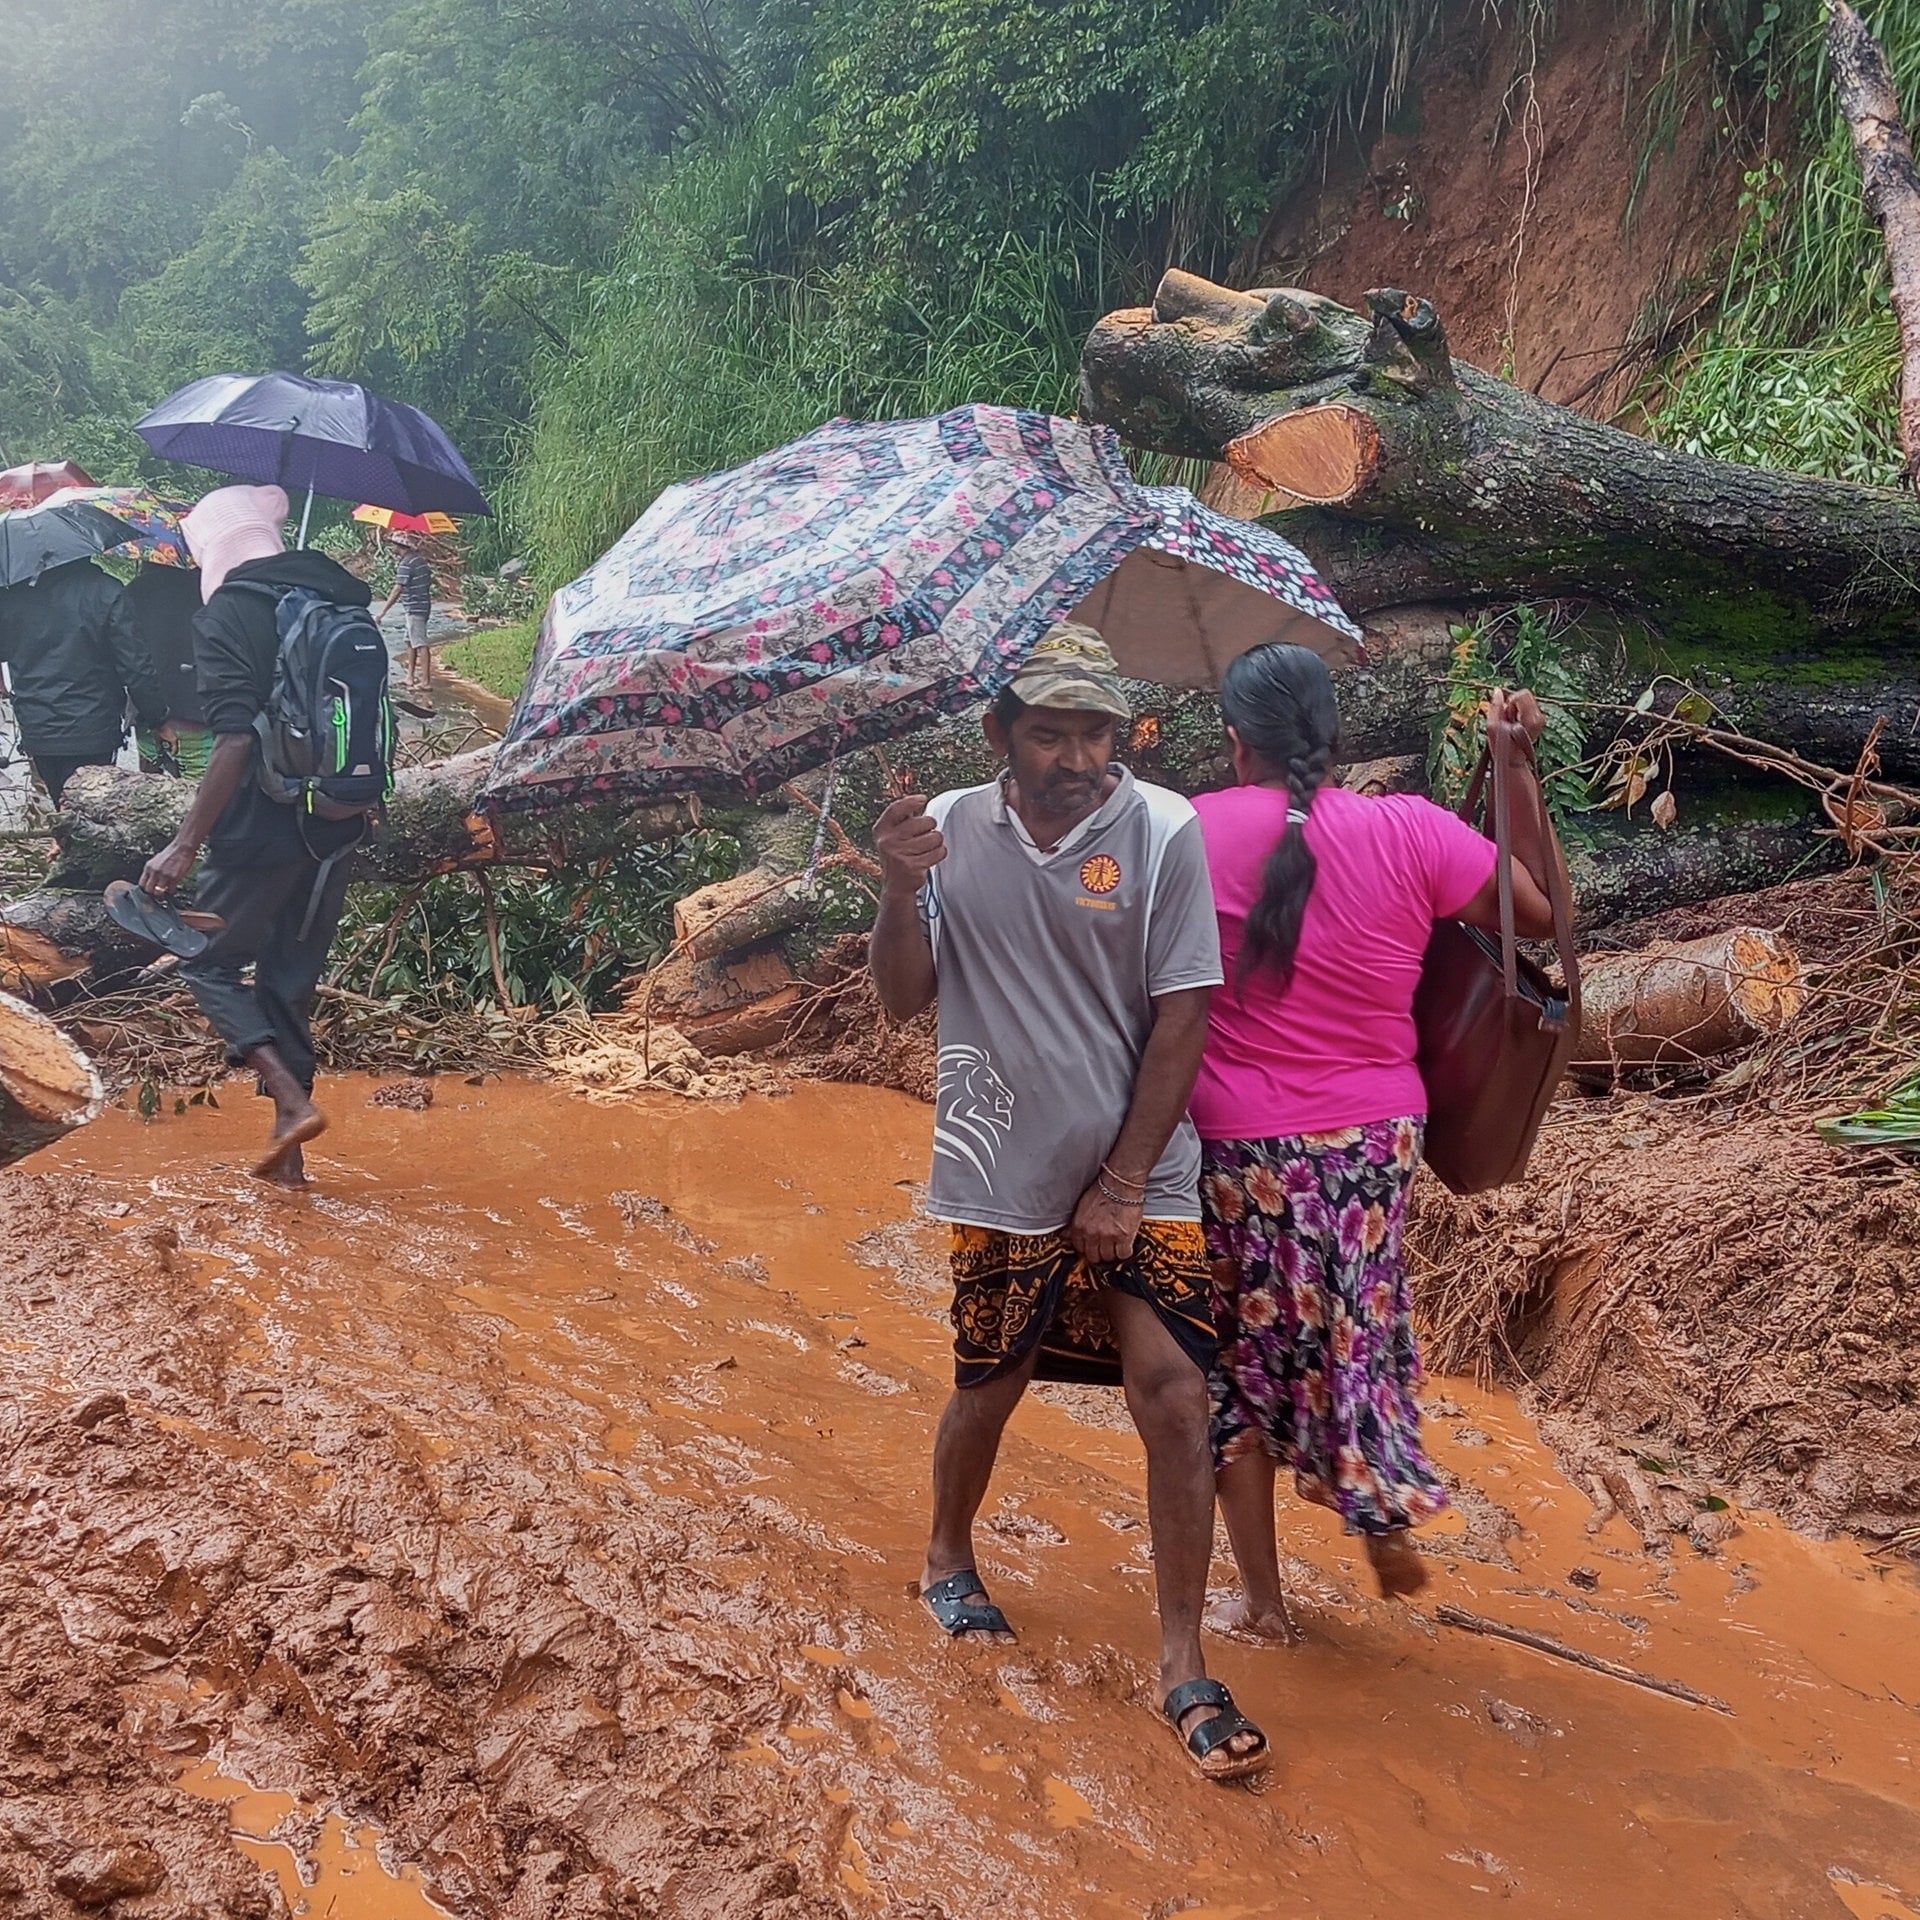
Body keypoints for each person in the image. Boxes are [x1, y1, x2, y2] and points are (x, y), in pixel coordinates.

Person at [869, 622, 1269, 1782]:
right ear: (1000, 734)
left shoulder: (1164, 829)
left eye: (1096, 729)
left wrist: (1128, 1179)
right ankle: (949, 1556)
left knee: (1177, 1394)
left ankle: (1184, 1661)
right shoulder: (946, 830)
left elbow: (1186, 1010)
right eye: (1050, 732)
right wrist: (901, 891)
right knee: (988, 1381)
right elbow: (904, 1000)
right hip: (999, 1162)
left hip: (1144, 1162)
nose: (1079, 755)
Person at [1189, 643, 1567, 1627]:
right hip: (1374, 1139)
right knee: (1356, 1322)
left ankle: (1264, 1603)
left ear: (1236, 745)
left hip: (1240, 1144)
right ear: (1335, 735)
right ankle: (1378, 1496)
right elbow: (1543, 911)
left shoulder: (1187, 832)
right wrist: (1514, 764)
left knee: (1240, 1357)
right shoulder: (1414, 832)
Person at [138, 485, 376, 1186]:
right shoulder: (337, 602)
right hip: (337, 822)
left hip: (260, 828)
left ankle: (292, 1100)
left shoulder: (227, 615)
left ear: (213, 551)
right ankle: (289, 1162)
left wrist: (184, 843)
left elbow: (234, 741)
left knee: (205, 962)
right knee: (288, 983)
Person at [0, 558, 175, 805]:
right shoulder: (106, 591)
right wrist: (159, 720)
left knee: (63, 805)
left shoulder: (12, 598)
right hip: (95, 727)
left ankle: (64, 839)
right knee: (94, 808)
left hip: (39, 729)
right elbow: (136, 668)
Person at [129, 559, 211, 776]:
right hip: (196, 712)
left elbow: (129, 658)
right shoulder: (209, 589)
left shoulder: (135, 591)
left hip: (147, 710)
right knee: (198, 796)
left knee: (147, 794)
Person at [378, 535, 435, 694]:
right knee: (410, 641)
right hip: (422, 606)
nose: (392, 548)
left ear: (399, 546)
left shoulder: (406, 564)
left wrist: (383, 611)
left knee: (420, 643)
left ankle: (425, 682)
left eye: (394, 545)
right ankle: (409, 676)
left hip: (414, 607)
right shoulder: (419, 561)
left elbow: (398, 588)